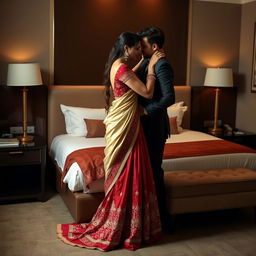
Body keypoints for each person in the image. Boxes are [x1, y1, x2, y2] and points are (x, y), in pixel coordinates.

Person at [56, 32, 165, 251]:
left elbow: (129, 78)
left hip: (121, 122)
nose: (139, 52)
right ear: (127, 49)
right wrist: (151, 69)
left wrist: (143, 61)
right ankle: (126, 225)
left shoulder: (118, 65)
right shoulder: (124, 68)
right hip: (126, 126)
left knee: (124, 168)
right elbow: (147, 91)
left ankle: (125, 220)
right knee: (128, 168)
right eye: (137, 49)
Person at [137, 27, 175, 232]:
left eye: (143, 46)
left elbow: (170, 97)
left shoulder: (162, 64)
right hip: (143, 126)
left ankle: (162, 220)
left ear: (154, 46)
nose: (140, 49)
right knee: (147, 171)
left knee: (154, 172)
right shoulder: (147, 61)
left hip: (154, 126)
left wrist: (146, 111)